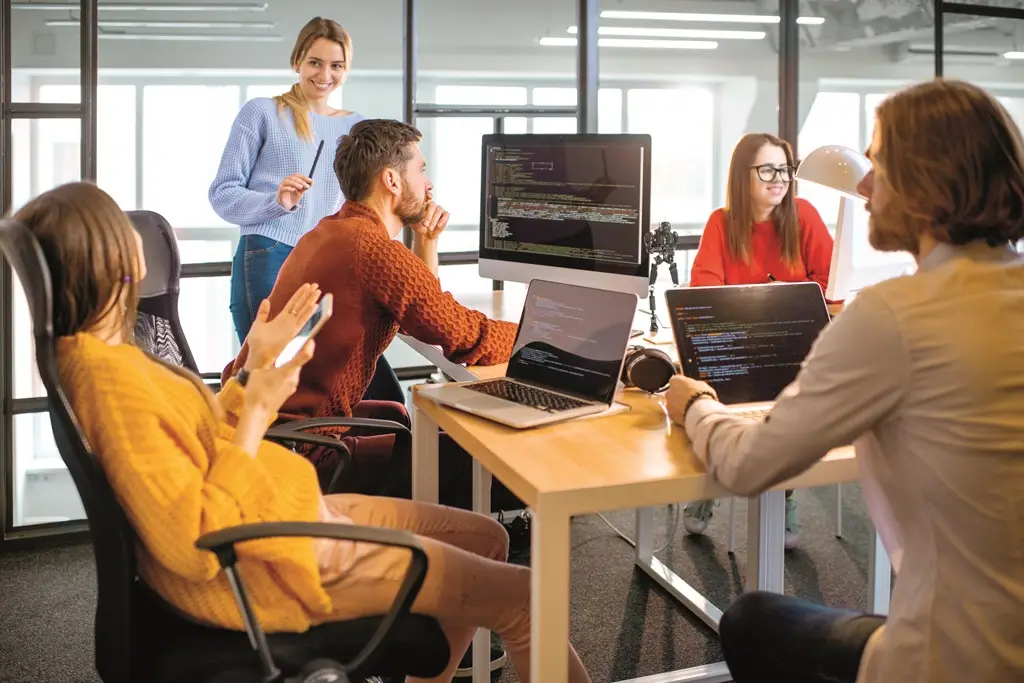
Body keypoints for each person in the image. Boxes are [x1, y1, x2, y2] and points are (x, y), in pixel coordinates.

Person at [21, 180, 591, 683]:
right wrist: (254, 415)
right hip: (271, 561)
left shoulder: (97, 357)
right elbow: (194, 542)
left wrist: (253, 374)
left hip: (283, 512)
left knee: (488, 538)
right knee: (526, 599)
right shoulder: (111, 381)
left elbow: (201, 443)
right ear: (109, 261)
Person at [666, 79, 1024, 683]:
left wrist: (695, 402)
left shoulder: (893, 316)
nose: (864, 185)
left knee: (749, 619)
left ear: (923, 185)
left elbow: (749, 467)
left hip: (953, 657)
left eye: (878, 160)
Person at [222, 119, 519, 508]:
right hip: (307, 457)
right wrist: (538, 339)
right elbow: (463, 336)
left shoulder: (332, 231)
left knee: (397, 413)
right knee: (493, 458)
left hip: (265, 433)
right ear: (392, 181)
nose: (429, 185)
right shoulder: (373, 251)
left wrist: (425, 242)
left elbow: (424, 310)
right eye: (422, 170)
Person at [682, 132, 836, 548]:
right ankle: (712, 480)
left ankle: (782, 492)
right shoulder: (722, 222)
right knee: (705, 387)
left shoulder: (804, 216)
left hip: (791, 347)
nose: (779, 178)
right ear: (742, 175)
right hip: (735, 345)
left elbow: (830, 285)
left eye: (785, 169)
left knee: (788, 403)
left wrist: (770, 303)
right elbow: (704, 288)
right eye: (767, 169)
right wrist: (783, 294)